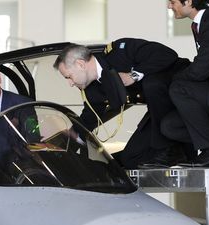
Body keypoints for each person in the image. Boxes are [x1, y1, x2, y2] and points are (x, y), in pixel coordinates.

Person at [53, 39, 192, 169]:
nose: (70, 84)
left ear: (80, 64)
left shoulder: (121, 51)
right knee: (130, 158)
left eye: (68, 76)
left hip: (184, 93)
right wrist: (66, 144)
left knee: (152, 84)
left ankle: (172, 149)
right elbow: (89, 118)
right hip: (160, 112)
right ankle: (178, 153)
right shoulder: (92, 88)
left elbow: (167, 54)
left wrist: (133, 76)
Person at [162, 0, 209, 166]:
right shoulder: (204, 23)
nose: (169, 6)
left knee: (179, 88)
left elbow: (199, 70)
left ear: (189, 1)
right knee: (170, 126)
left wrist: (171, 81)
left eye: (173, 2)